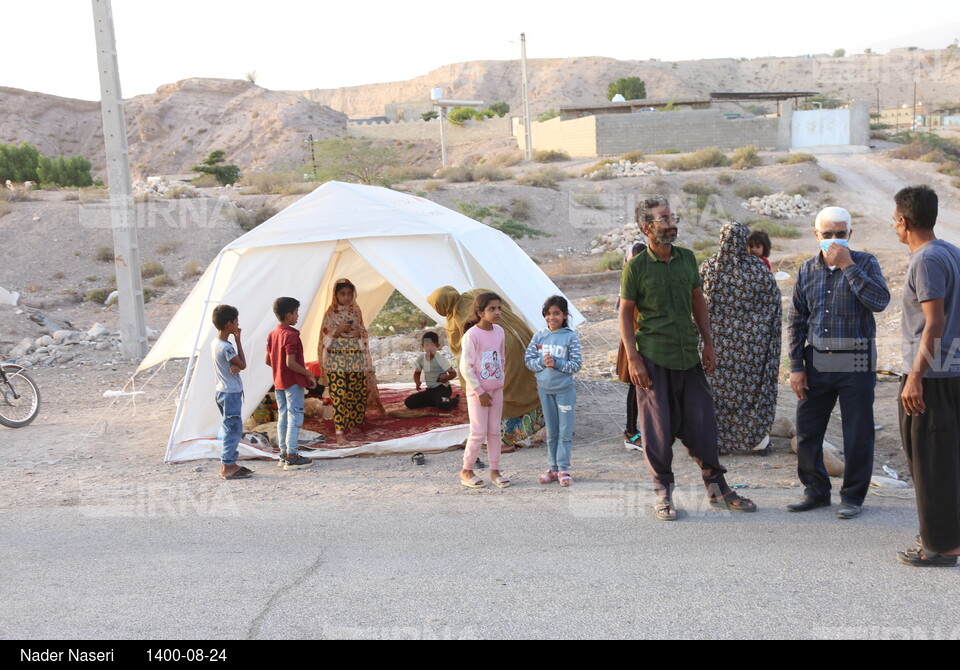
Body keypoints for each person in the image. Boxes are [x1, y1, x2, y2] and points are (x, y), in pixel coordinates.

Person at [618, 195, 757, 521]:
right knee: (658, 432)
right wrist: (634, 360)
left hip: (688, 358)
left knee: (703, 425)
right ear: (646, 227)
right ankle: (663, 495)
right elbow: (625, 315)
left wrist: (708, 342)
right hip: (653, 360)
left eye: (672, 217)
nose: (671, 223)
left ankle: (718, 490)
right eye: (663, 219)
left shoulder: (686, 259)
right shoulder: (635, 268)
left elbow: (698, 302)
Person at [787, 206, 890, 519]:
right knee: (807, 429)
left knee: (857, 431)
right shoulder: (806, 270)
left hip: (856, 358)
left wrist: (848, 266)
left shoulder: (866, 262)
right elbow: (796, 319)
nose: (833, 240)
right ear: (816, 235)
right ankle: (816, 491)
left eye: (840, 234)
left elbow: (880, 301)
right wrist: (795, 366)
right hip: (816, 359)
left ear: (850, 234)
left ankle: (853, 496)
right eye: (827, 234)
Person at [892, 185, 960, 567]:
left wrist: (915, 377)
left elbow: (935, 322)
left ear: (905, 221)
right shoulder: (952, 252)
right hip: (950, 369)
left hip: (931, 375)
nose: (894, 227)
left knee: (930, 462)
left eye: (895, 220)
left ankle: (941, 546)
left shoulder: (926, 260)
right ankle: (944, 535)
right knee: (945, 460)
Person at [700, 221, 782, 453]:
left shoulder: (709, 267)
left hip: (715, 347)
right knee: (751, 393)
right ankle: (756, 442)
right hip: (751, 349)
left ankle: (716, 442)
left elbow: (697, 302)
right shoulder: (757, 268)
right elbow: (773, 305)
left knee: (715, 396)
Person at [427, 286, 542, 449]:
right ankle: (539, 426)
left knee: (501, 391)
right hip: (522, 336)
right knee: (524, 381)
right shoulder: (476, 293)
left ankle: (508, 437)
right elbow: (504, 306)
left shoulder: (456, 320)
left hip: (500, 348)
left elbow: (461, 351)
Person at [317, 278, 385, 446]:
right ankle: (339, 431)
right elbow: (324, 337)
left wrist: (358, 334)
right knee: (340, 394)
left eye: (349, 294)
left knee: (357, 391)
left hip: (355, 356)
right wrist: (337, 331)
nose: (346, 297)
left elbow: (363, 330)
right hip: (337, 358)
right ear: (336, 295)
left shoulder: (356, 311)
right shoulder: (331, 313)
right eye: (342, 294)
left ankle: (353, 421)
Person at [525, 295, 582, 487]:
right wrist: (542, 362)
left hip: (564, 391)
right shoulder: (539, 336)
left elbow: (576, 365)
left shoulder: (570, 337)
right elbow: (529, 361)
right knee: (552, 431)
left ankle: (564, 468)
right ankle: (553, 468)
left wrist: (556, 363)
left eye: (557, 313)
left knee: (565, 431)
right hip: (545, 391)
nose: (552, 317)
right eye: (548, 314)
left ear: (565, 315)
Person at [458, 292, 509, 489]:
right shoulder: (472, 335)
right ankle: (466, 470)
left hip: (496, 390)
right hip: (478, 393)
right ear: (480, 312)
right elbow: (466, 367)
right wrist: (480, 391)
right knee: (478, 432)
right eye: (491, 309)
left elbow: (501, 358)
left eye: (499, 308)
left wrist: (499, 381)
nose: (497, 312)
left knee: (495, 431)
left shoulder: (500, 331)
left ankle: (495, 471)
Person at [266, 296, 316, 470]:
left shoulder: (273, 335)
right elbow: (291, 363)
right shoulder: (291, 335)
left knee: (283, 418)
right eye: (296, 312)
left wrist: (279, 368)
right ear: (288, 315)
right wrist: (308, 373)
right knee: (295, 418)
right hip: (292, 382)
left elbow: (268, 360)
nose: (298, 316)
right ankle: (292, 456)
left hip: (279, 382)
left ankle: (284, 454)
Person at [211, 304, 252, 480]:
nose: (237, 324)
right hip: (231, 392)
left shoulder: (216, 343)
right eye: (236, 321)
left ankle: (230, 463)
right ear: (229, 324)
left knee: (229, 427)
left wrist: (236, 364)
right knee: (233, 429)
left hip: (221, 391)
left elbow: (237, 365)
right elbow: (243, 364)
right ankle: (227, 465)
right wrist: (238, 340)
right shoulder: (227, 347)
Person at [618, 242, 646, 452]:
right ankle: (630, 433)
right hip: (634, 342)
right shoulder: (629, 282)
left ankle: (642, 430)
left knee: (642, 389)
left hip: (647, 339)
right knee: (634, 388)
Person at [405, 331, 459, 410]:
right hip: (430, 390)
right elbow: (417, 373)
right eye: (427, 345)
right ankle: (436, 401)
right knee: (409, 402)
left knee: (443, 404)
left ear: (437, 345)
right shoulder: (421, 358)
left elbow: (453, 374)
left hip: (443, 388)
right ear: (423, 346)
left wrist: (446, 378)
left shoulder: (440, 359)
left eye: (432, 345)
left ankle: (453, 400)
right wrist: (417, 382)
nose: (429, 347)